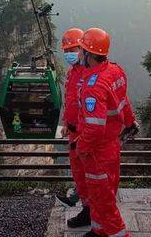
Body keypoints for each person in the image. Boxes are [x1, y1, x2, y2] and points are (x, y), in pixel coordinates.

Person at [76, 27, 138, 237]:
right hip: (111, 145)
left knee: (103, 200)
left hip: (98, 150)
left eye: (82, 50)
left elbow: (94, 127)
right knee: (99, 194)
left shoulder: (93, 85)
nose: (79, 55)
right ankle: (98, 231)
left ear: (90, 54)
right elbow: (123, 101)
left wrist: (82, 148)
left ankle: (117, 233)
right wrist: (130, 122)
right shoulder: (115, 71)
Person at [56, 28, 91, 224]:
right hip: (73, 131)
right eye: (66, 50)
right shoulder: (72, 72)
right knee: (79, 173)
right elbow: (70, 102)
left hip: (85, 133)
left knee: (89, 174)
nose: (69, 53)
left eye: (73, 48)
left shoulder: (89, 72)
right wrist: (66, 124)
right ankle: (85, 207)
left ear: (83, 48)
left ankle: (91, 212)